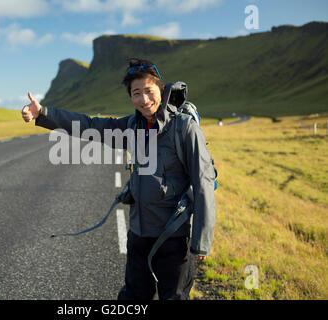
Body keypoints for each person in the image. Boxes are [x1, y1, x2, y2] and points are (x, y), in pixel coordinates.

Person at [21, 58, 216, 300]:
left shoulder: (185, 129)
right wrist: (44, 114)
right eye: (136, 93)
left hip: (173, 239)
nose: (144, 99)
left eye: (148, 91)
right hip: (138, 235)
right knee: (133, 297)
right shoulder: (131, 127)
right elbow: (89, 125)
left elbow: (203, 182)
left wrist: (201, 241)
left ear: (161, 90)